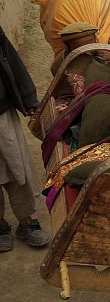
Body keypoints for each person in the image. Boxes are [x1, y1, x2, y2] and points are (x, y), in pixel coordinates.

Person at [0, 27, 50, 251]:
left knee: (16, 166)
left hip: (1, 113)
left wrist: (29, 98)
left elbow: (11, 59)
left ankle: (26, 221)